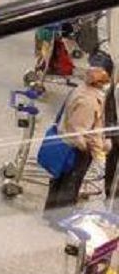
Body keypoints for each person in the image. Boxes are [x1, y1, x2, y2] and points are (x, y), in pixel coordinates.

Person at [44, 68, 112, 216]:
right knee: (70, 183)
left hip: (65, 141)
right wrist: (98, 152)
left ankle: (50, 213)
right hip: (76, 148)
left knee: (60, 179)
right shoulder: (89, 102)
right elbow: (83, 132)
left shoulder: (80, 90)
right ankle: (61, 217)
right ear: (98, 83)